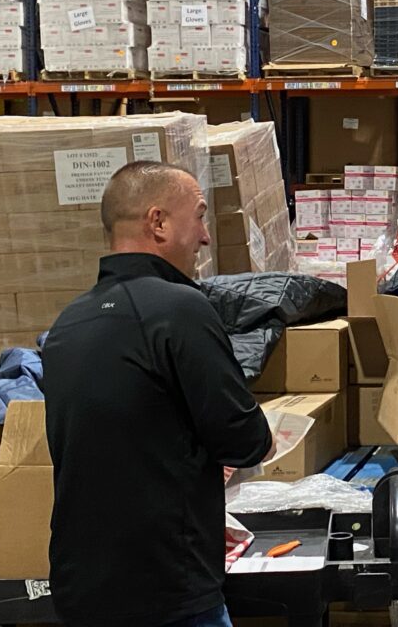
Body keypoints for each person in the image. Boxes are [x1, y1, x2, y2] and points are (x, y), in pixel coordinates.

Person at [42, 161, 274, 627]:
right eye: (201, 216)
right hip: (168, 589)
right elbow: (243, 439)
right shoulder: (179, 308)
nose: (206, 236)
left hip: (81, 586)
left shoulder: (68, 323)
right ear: (159, 222)